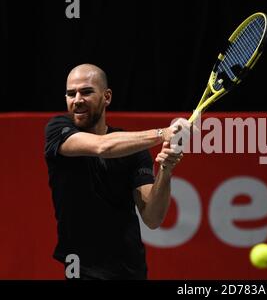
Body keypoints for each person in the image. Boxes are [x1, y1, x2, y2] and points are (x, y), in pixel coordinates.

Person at [44, 64, 189, 280]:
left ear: (107, 97)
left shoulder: (133, 150)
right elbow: (102, 147)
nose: (77, 100)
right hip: (79, 267)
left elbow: (152, 217)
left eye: (86, 92)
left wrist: (165, 171)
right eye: (70, 93)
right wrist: (163, 133)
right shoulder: (58, 129)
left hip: (128, 269)